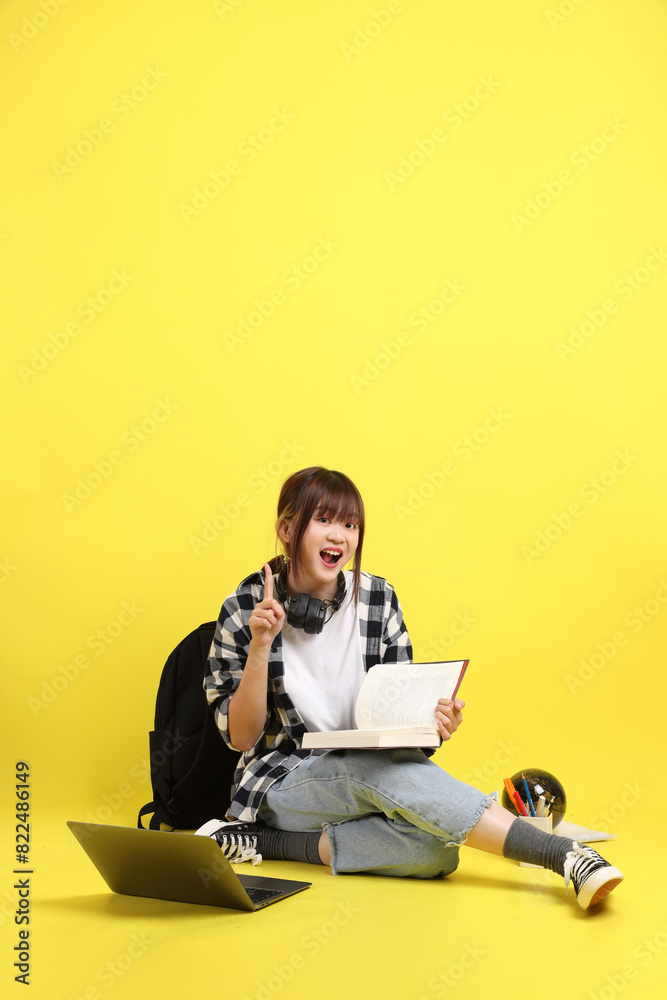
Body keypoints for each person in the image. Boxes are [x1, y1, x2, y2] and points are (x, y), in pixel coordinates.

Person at [200, 466, 623, 910]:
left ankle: (266, 842)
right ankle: (564, 855)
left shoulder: (378, 600)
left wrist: (431, 724)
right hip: (282, 780)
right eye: (324, 520)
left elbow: (394, 720)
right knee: (372, 771)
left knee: (435, 850)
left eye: (351, 525)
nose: (340, 536)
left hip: (370, 768)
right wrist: (260, 647)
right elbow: (241, 737)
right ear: (288, 529)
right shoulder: (244, 608)